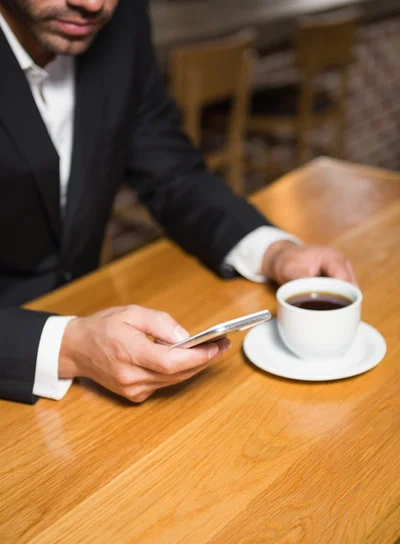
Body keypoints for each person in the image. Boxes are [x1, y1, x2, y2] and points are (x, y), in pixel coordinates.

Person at [0, 0, 357, 406]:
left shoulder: (124, 20)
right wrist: (69, 347)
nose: (92, 3)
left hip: (89, 333)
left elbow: (172, 172)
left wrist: (272, 251)